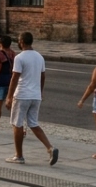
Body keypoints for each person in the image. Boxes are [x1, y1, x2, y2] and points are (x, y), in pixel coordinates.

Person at [5, 31, 57, 165]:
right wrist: (40, 92)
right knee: (33, 123)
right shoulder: (39, 57)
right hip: (35, 96)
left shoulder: (19, 58)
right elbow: (43, 76)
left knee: (17, 124)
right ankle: (50, 148)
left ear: (21, 42)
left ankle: (19, 156)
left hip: (22, 95)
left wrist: (9, 96)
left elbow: (15, 78)